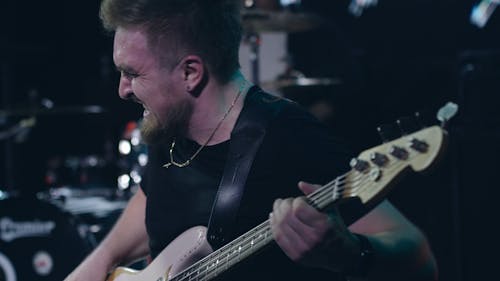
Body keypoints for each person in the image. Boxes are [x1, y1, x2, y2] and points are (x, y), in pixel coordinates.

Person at [65, 0, 437, 280]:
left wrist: (350, 253)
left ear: (190, 73)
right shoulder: (169, 123)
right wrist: (98, 263)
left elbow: (421, 259)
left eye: (132, 73)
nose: (121, 89)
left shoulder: (288, 137)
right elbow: (156, 197)